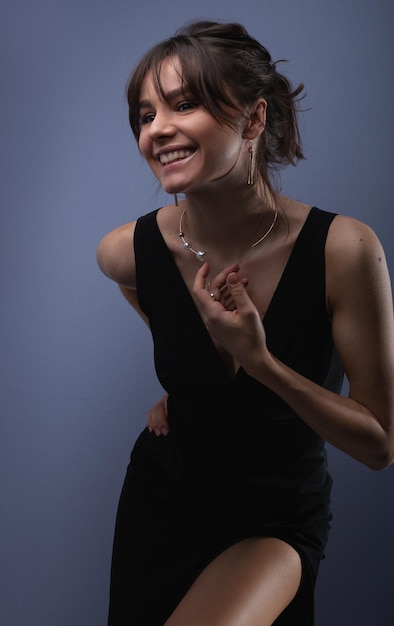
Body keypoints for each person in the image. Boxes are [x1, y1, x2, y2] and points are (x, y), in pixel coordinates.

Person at [97, 20, 394, 626]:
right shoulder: (128, 251)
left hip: (274, 520)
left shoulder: (343, 249)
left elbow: (379, 444)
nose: (159, 130)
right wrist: (186, 380)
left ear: (254, 119)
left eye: (185, 105)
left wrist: (258, 362)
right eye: (145, 116)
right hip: (163, 503)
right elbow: (156, 307)